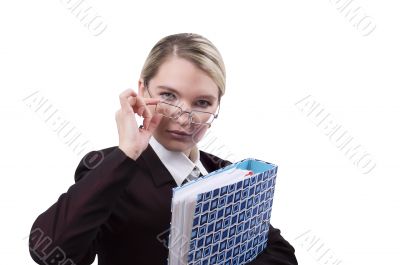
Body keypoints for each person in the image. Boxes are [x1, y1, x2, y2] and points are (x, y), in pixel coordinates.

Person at [28, 33, 298, 265]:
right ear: (142, 91)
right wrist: (126, 153)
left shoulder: (227, 174)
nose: (183, 118)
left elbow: (281, 254)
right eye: (168, 95)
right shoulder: (109, 168)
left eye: (202, 102)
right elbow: (51, 252)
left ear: (217, 106)